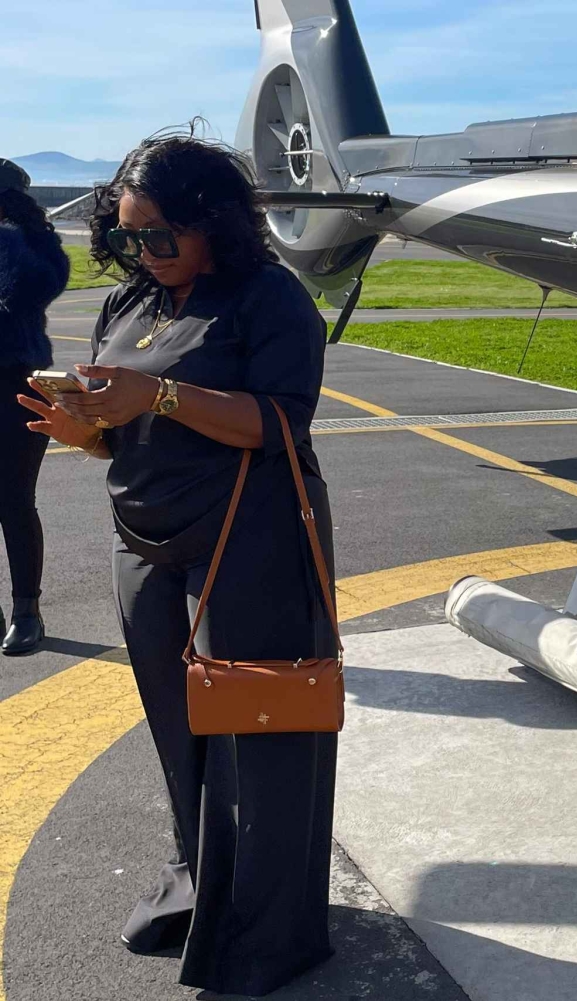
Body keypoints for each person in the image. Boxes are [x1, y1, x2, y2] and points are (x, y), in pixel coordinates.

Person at [16, 133, 337, 996]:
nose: (142, 253)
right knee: (179, 734)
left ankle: (267, 929)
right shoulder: (133, 299)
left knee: (256, 743)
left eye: (159, 235)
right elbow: (128, 420)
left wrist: (158, 393)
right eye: (126, 236)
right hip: (146, 540)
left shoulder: (268, 298)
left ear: (217, 223)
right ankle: (200, 887)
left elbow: (280, 424)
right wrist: (89, 429)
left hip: (249, 543)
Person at [0, 158, 70, 655]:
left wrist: (17, 230)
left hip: (16, 382)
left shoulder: (28, 245)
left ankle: (28, 611)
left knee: (14, 501)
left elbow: (32, 288)